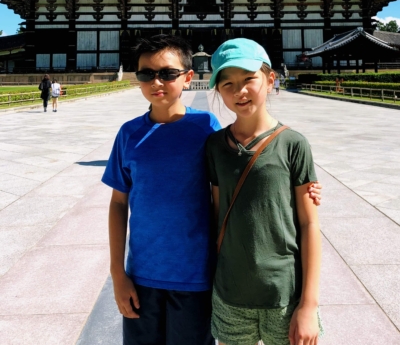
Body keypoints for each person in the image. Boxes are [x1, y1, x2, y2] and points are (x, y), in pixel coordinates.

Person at [101, 35, 323, 345]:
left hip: (197, 275)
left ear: (188, 77)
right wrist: (117, 273)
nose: (157, 81)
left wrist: (301, 190)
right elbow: (117, 204)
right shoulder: (129, 134)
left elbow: (240, 175)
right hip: (142, 274)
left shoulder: (206, 128)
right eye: (146, 74)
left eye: (167, 73)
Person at [206, 38, 323, 345]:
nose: (239, 91)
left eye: (248, 79)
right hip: (231, 293)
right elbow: (217, 213)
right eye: (227, 83)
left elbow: (310, 223)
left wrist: (309, 304)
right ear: (218, 89)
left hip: (284, 293)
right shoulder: (215, 146)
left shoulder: (293, 144)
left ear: (270, 80)